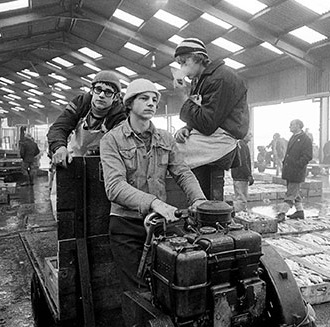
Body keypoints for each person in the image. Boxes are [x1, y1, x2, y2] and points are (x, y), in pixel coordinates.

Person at [99, 78, 207, 293]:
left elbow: (183, 173)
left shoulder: (165, 139)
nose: (151, 103)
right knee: (137, 292)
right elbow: (114, 186)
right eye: (144, 98)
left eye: (154, 100)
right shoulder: (112, 140)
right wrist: (155, 203)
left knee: (167, 287)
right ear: (129, 103)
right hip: (126, 226)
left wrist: (200, 201)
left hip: (159, 227)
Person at [172, 38, 249, 201]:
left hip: (221, 138)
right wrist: (188, 127)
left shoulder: (221, 78)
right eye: (180, 64)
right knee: (171, 148)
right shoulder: (200, 80)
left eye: (185, 62)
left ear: (198, 57)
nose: (182, 68)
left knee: (171, 154)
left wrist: (182, 96)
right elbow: (201, 114)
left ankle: (193, 202)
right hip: (210, 135)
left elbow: (207, 123)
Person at [47, 70, 127, 168]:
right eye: (98, 89)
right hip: (74, 159)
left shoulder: (120, 116)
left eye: (108, 92)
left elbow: (122, 144)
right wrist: (59, 147)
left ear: (116, 97)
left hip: (104, 164)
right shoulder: (80, 104)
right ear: (92, 90)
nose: (101, 95)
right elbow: (58, 127)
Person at [280, 119, 313, 220]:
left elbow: (308, 155)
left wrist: (298, 165)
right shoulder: (293, 137)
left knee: (290, 193)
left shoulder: (305, 139)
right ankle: (300, 211)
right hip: (289, 170)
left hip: (296, 171)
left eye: (291, 125)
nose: (289, 127)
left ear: (298, 125)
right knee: (295, 193)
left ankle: (282, 213)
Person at [231, 133, 254, 212]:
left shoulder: (238, 144)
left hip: (237, 174)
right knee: (241, 199)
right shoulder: (243, 145)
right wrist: (249, 175)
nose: (251, 136)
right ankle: (238, 214)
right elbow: (243, 162)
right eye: (249, 134)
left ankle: (237, 213)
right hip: (241, 175)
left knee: (239, 196)